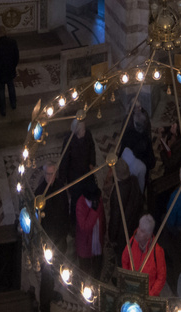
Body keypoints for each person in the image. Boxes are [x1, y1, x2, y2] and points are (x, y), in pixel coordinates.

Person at [36, 162, 70, 312]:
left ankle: (50, 293)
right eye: (47, 174)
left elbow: (65, 210)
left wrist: (65, 231)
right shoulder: (40, 192)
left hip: (59, 238)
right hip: (47, 241)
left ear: (56, 174)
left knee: (55, 269)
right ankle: (44, 305)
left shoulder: (60, 186)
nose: (49, 177)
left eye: (51, 173)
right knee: (46, 274)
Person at [58, 118, 96, 229]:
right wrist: (62, 180)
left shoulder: (88, 134)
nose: (85, 131)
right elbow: (64, 161)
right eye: (82, 130)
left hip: (86, 172)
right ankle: (74, 223)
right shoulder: (69, 141)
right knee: (76, 200)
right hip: (74, 176)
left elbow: (92, 148)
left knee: (89, 194)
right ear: (77, 131)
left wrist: (92, 162)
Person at [121, 214, 167, 298]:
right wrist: (128, 281)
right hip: (131, 291)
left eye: (142, 231)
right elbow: (125, 261)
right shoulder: (131, 242)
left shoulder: (157, 252)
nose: (138, 231)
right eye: (139, 227)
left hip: (148, 295)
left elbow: (161, 277)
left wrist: (151, 294)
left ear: (148, 236)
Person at [107, 158, 143, 255]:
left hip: (122, 231)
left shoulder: (117, 193)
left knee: (121, 252)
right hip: (133, 222)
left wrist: (112, 237)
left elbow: (115, 217)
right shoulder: (134, 180)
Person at [75, 175, 105, 277]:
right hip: (85, 244)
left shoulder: (98, 199)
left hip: (97, 241)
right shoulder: (80, 204)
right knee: (85, 271)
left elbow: (102, 218)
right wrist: (93, 211)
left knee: (97, 268)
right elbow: (84, 227)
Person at [119, 106, 155, 186]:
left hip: (129, 173)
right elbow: (151, 162)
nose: (139, 108)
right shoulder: (145, 140)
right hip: (139, 171)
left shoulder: (128, 135)